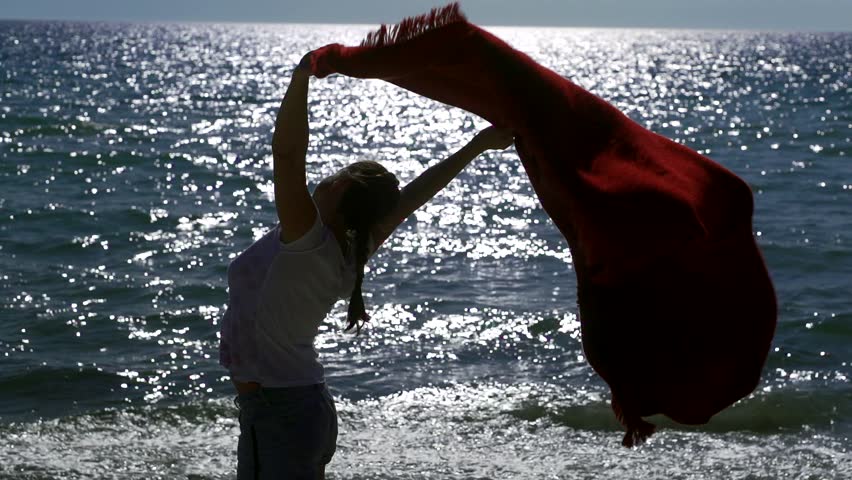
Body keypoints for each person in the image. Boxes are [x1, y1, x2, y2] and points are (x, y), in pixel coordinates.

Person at [219, 52, 513, 479]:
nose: (329, 176)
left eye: (340, 173)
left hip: (281, 412)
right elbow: (415, 197)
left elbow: (287, 155)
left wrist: (301, 78)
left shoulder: (307, 239)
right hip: (293, 408)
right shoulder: (350, 249)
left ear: (342, 191)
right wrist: (477, 145)